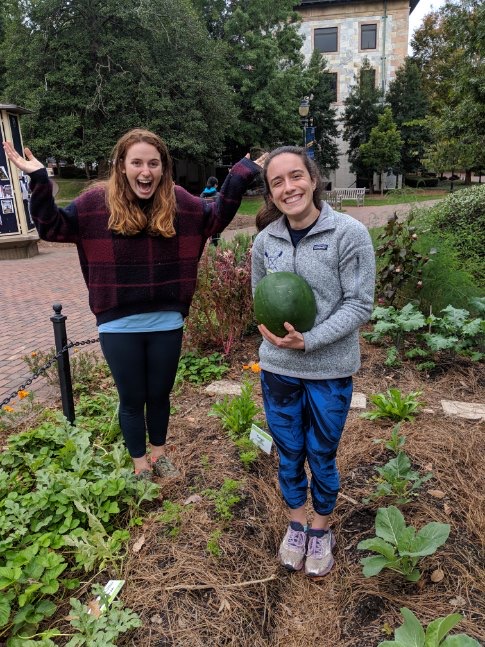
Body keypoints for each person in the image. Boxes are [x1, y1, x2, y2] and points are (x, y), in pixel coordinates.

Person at [3, 129, 264, 479]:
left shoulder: (180, 202)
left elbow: (215, 217)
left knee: (159, 395)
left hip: (166, 321)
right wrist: (37, 179)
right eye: (137, 162)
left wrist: (240, 174)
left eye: (153, 163)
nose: (146, 171)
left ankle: (158, 455)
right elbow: (51, 228)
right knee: (131, 399)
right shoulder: (95, 203)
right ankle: (139, 464)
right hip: (118, 322)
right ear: (122, 165)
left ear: (163, 167)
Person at [251, 146, 375, 577]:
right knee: (288, 453)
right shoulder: (265, 241)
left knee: (321, 454)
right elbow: (260, 297)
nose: (289, 188)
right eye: (277, 182)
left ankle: (321, 528)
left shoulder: (349, 233)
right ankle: (297, 523)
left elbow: (360, 304)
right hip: (278, 370)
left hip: (329, 370)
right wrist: (273, 337)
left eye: (296, 176)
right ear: (270, 192)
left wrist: (310, 341)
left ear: (313, 178)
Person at [200, 176, 221, 245]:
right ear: (215, 185)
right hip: (215, 221)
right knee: (215, 241)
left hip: (204, 221)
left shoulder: (202, 195)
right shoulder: (218, 196)